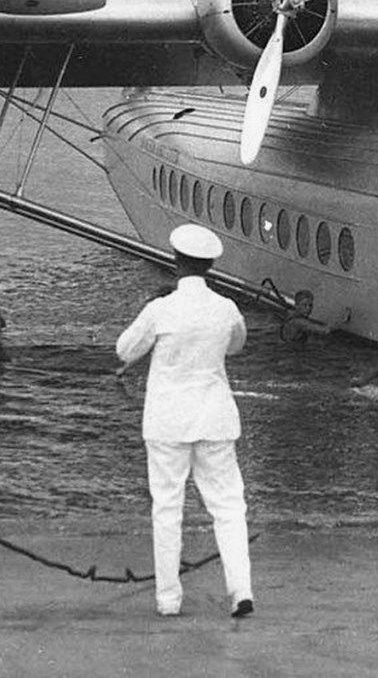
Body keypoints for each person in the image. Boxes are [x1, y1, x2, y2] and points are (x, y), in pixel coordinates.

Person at [115, 224, 254, 618]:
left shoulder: (161, 308)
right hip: (215, 416)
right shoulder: (226, 308)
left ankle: (168, 599)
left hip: (167, 420)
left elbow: (124, 349)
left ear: (176, 262)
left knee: (167, 508)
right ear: (209, 265)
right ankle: (241, 590)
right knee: (228, 507)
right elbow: (237, 344)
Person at [282, 289, 348, 343]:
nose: (308, 308)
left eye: (310, 305)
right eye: (304, 305)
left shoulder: (291, 315)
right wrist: (342, 320)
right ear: (296, 306)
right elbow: (325, 330)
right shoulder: (299, 322)